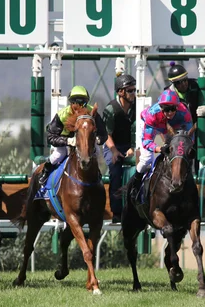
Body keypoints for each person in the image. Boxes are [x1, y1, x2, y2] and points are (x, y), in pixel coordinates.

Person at [39, 85, 108, 185]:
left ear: (86, 102)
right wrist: (68, 141)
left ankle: (96, 173)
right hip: (64, 141)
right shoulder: (62, 115)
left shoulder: (93, 112)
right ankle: (45, 172)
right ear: (70, 102)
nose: (78, 106)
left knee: (96, 151)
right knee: (58, 155)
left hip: (85, 141)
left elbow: (103, 133)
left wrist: (96, 140)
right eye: (75, 102)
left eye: (82, 103)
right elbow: (50, 137)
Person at [129, 89, 193, 197]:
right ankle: (135, 186)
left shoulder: (184, 113)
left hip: (170, 127)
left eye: (172, 109)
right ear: (161, 108)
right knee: (147, 159)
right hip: (151, 126)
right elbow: (147, 142)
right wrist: (160, 149)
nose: (169, 113)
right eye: (166, 109)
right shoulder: (152, 115)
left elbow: (189, 137)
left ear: (177, 107)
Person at [103, 74, 136, 223]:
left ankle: (136, 209)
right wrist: (115, 151)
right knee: (115, 170)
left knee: (142, 169)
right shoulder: (111, 109)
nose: (134, 93)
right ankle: (116, 212)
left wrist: (134, 148)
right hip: (112, 146)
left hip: (130, 146)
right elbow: (106, 135)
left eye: (135, 90)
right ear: (121, 92)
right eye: (130, 90)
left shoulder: (137, 106)